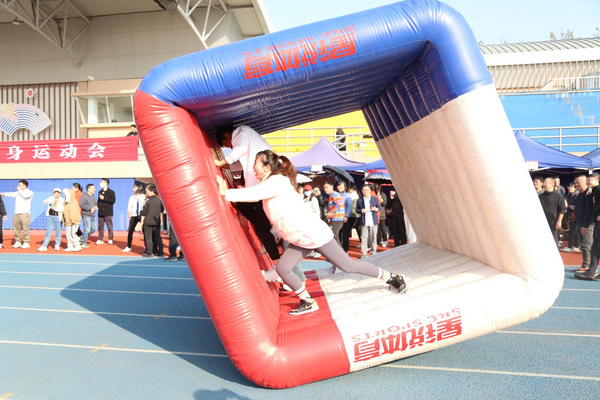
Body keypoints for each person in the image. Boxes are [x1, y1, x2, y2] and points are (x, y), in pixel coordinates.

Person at [217, 150, 407, 316]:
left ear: (267, 167)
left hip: (313, 235)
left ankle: (391, 277)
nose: (253, 168)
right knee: (283, 268)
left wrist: (227, 193)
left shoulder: (276, 181)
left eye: (256, 164)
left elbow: (254, 195)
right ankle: (308, 301)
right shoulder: (272, 182)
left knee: (348, 266)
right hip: (300, 238)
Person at [215, 125, 281, 278]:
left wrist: (220, 162)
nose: (229, 147)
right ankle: (273, 234)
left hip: (262, 189)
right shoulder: (250, 144)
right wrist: (225, 164)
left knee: (262, 230)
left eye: (227, 145)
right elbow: (241, 163)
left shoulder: (241, 133)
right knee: (247, 210)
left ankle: (278, 269)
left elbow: (240, 149)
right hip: (260, 189)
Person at [577, 173, 600, 280]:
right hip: (595, 222)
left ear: (597, 180)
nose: (587, 182)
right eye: (587, 180)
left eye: (589, 180)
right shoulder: (593, 192)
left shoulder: (598, 190)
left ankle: (591, 271)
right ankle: (591, 271)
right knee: (595, 248)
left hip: (596, 222)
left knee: (594, 247)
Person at [1, 180, 34, 249]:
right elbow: (10, 194)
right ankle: (18, 241)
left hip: (25, 213)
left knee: (25, 228)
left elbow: (25, 196)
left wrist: (19, 190)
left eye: (20, 185)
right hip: (16, 213)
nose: (18, 186)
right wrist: (2, 194)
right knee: (16, 228)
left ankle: (26, 242)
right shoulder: (18, 193)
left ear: (24, 186)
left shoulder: (30, 192)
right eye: (18, 185)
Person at [575, 174, 595, 273]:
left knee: (587, 245)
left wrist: (585, 225)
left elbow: (589, 211)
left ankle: (589, 266)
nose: (576, 185)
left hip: (587, 224)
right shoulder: (580, 194)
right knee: (583, 245)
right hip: (580, 223)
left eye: (578, 182)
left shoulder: (589, 193)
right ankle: (585, 264)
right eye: (575, 183)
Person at [538, 177, 566, 247]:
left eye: (545, 183)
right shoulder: (541, 196)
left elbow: (562, 209)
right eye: (543, 183)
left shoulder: (558, 196)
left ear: (552, 184)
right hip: (542, 222)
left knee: (553, 240)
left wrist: (559, 221)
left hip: (553, 222)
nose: (543, 184)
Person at [140, 183, 164, 258]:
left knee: (148, 237)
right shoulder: (159, 201)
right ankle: (160, 252)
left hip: (148, 221)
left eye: (147, 191)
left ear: (151, 191)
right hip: (156, 222)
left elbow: (144, 212)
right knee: (158, 237)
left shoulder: (148, 201)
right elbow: (162, 210)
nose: (146, 193)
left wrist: (141, 221)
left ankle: (149, 253)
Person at [357, 184, 381, 258]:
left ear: (370, 191)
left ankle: (373, 251)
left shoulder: (375, 198)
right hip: (364, 221)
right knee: (364, 237)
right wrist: (361, 210)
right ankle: (364, 253)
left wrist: (375, 209)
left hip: (373, 220)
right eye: (363, 190)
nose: (365, 192)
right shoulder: (360, 200)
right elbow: (357, 210)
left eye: (366, 190)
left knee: (373, 237)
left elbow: (379, 207)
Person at [123, 183, 146, 253]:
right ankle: (129, 246)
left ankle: (146, 246)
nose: (133, 189)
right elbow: (129, 206)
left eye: (135, 187)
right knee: (130, 231)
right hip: (134, 215)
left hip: (142, 215)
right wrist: (129, 212)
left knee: (145, 231)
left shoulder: (144, 197)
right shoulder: (132, 197)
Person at [323, 181, 344, 247]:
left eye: (326, 187)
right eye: (324, 188)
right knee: (335, 236)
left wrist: (330, 213)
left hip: (337, 218)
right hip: (334, 218)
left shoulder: (335, 194)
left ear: (332, 187)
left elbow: (339, 204)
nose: (325, 189)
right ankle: (340, 254)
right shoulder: (331, 196)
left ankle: (341, 254)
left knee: (333, 236)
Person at [303, 184, 321, 258]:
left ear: (311, 191)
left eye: (308, 190)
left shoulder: (314, 199)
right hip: (306, 220)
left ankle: (317, 251)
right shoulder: (304, 199)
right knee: (308, 237)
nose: (306, 192)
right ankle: (309, 251)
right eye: (305, 190)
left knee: (315, 237)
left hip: (313, 220)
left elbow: (316, 210)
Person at [562, 182, 580, 252]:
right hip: (570, 215)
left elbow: (577, 207)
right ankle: (576, 246)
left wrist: (568, 206)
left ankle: (570, 246)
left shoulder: (577, 195)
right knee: (574, 231)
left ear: (575, 188)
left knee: (573, 231)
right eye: (568, 187)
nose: (569, 188)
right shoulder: (569, 195)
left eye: (571, 187)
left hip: (575, 215)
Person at [96, 178, 116, 245]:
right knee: (100, 226)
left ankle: (110, 239)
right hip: (101, 212)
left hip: (108, 212)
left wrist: (104, 198)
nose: (101, 183)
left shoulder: (111, 192)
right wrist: (97, 206)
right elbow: (98, 201)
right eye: (101, 182)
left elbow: (113, 201)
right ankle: (100, 239)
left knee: (109, 226)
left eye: (102, 182)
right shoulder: (100, 192)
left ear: (106, 183)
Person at [63, 187, 82, 252]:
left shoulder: (73, 201)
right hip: (68, 221)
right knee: (68, 234)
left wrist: (73, 220)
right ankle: (70, 246)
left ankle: (77, 245)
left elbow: (74, 212)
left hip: (73, 221)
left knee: (72, 233)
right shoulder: (66, 203)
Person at [337, 181, 354, 253]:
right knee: (337, 234)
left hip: (344, 217)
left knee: (345, 234)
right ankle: (338, 250)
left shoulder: (347, 195)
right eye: (339, 186)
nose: (340, 187)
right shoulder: (335, 194)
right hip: (336, 218)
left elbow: (349, 206)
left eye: (341, 186)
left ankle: (345, 250)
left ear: (344, 187)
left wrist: (346, 216)